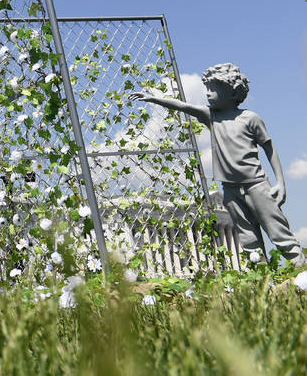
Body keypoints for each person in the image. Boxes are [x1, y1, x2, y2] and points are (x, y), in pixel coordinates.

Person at [130, 63, 304, 267]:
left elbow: (269, 149)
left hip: (256, 185)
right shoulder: (211, 116)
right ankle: (263, 281)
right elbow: (183, 106)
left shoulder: (250, 118)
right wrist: (153, 98)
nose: (208, 94)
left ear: (232, 92)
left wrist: (281, 183)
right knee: (248, 240)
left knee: (277, 230)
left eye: (214, 90)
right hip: (229, 189)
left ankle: (301, 271)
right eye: (207, 89)